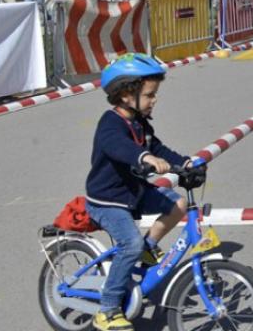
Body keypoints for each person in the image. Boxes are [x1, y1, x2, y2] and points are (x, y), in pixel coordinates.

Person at [85, 53, 198, 331]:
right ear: (126, 95)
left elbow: (158, 148)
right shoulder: (110, 123)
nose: (154, 100)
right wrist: (144, 158)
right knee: (129, 244)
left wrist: (185, 163)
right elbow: (119, 147)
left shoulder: (141, 123)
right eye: (149, 95)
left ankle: (147, 250)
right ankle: (108, 310)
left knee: (178, 204)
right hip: (107, 201)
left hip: (133, 194)